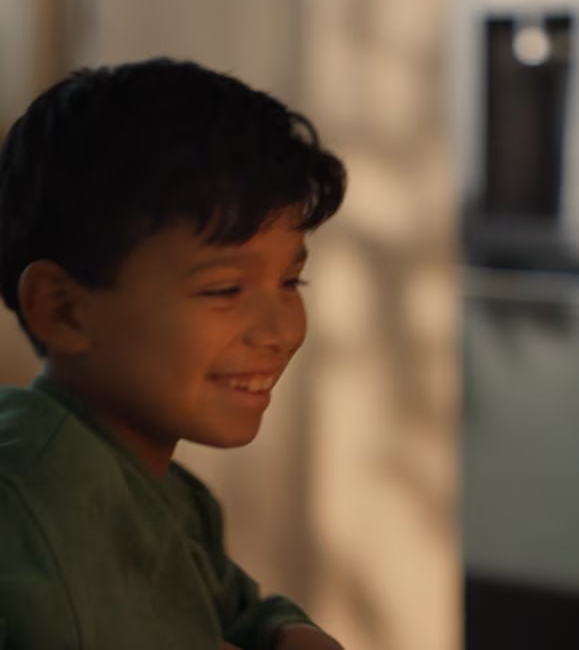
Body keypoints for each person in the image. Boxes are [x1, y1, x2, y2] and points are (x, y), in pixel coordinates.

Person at [0, 58, 347, 650]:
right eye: (223, 290)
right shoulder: (24, 503)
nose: (278, 330)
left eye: (291, 283)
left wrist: (288, 632)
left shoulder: (172, 495)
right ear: (64, 309)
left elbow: (238, 612)